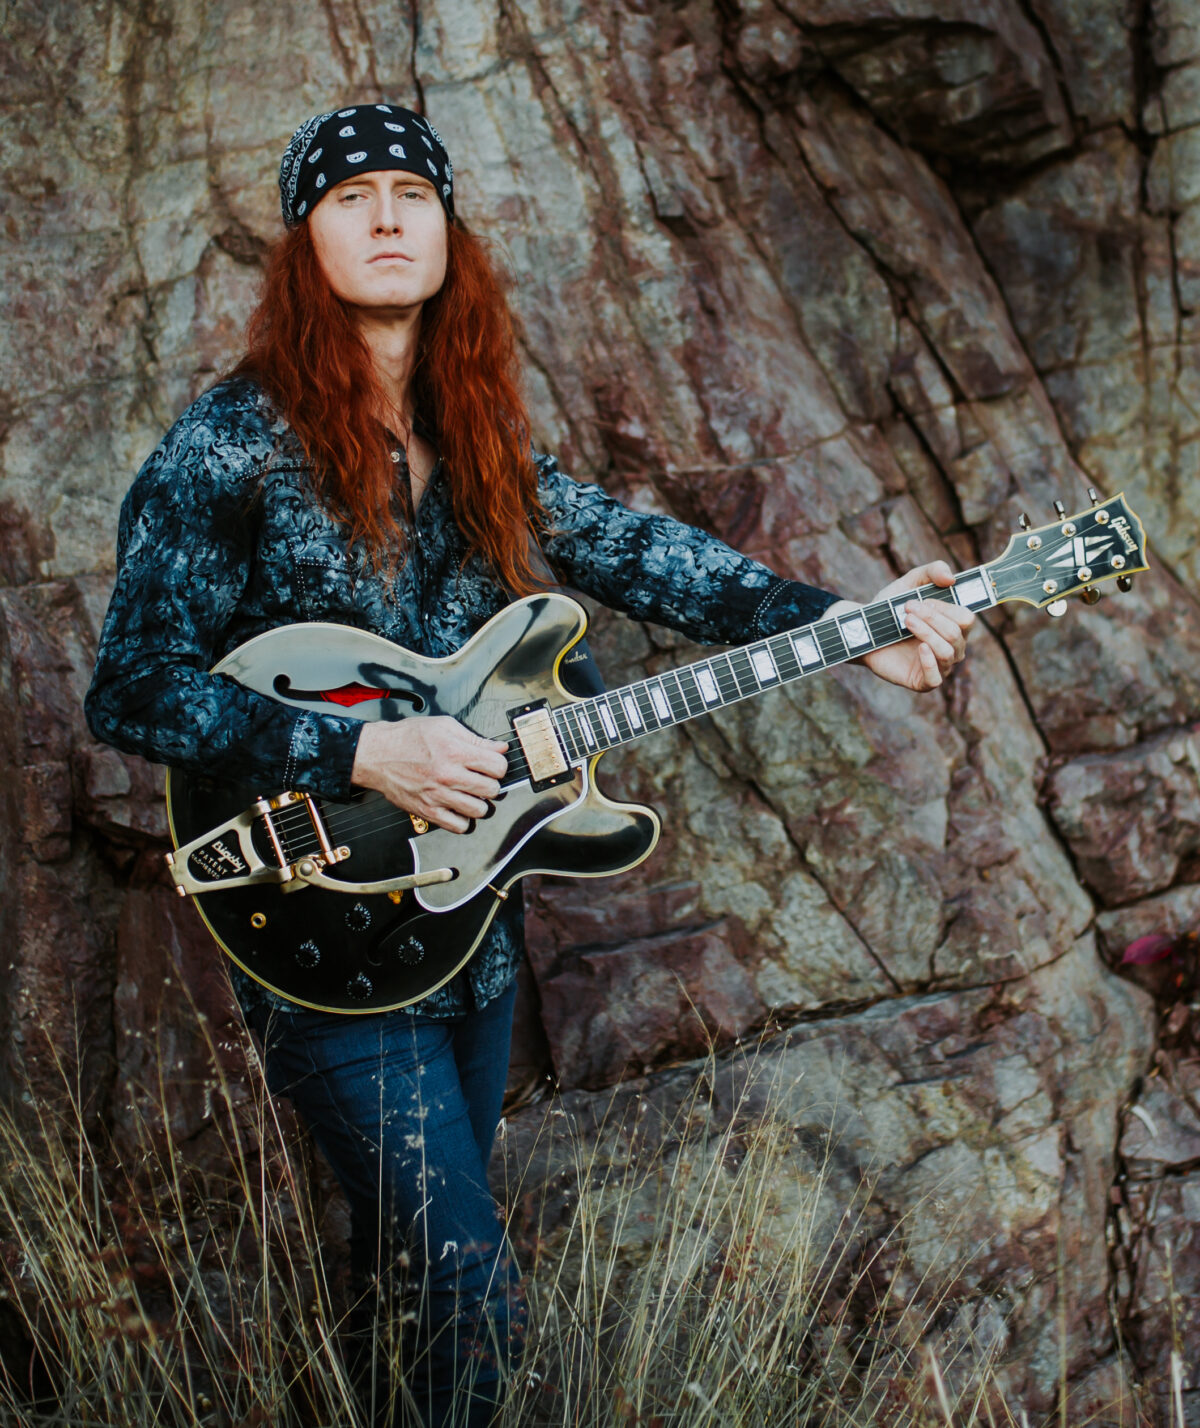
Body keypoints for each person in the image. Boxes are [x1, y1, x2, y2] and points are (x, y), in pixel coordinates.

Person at [85, 103, 975, 1426]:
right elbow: (133, 689)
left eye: (410, 193)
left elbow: (647, 558)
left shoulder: (480, 437)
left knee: (420, 1291)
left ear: (449, 233)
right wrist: (364, 746)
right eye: (349, 198)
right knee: (475, 1307)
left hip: (470, 931)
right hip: (320, 933)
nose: (386, 216)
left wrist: (852, 628)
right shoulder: (230, 449)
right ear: (303, 243)